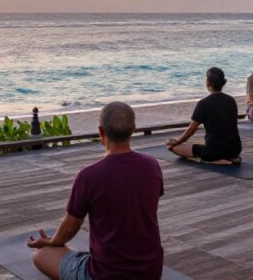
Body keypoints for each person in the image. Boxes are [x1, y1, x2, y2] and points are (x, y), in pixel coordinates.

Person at [28, 102, 164, 280]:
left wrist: (51, 242)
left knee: (41, 255)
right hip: (150, 272)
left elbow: (69, 228)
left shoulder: (89, 176)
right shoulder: (152, 165)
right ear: (133, 130)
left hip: (105, 275)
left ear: (100, 132)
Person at [167, 67, 242, 165]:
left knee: (174, 148)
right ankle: (229, 158)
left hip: (214, 151)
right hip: (235, 149)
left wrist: (177, 142)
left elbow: (191, 130)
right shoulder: (231, 101)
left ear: (208, 83)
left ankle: (214, 161)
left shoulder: (203, 103)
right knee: (197, 144)